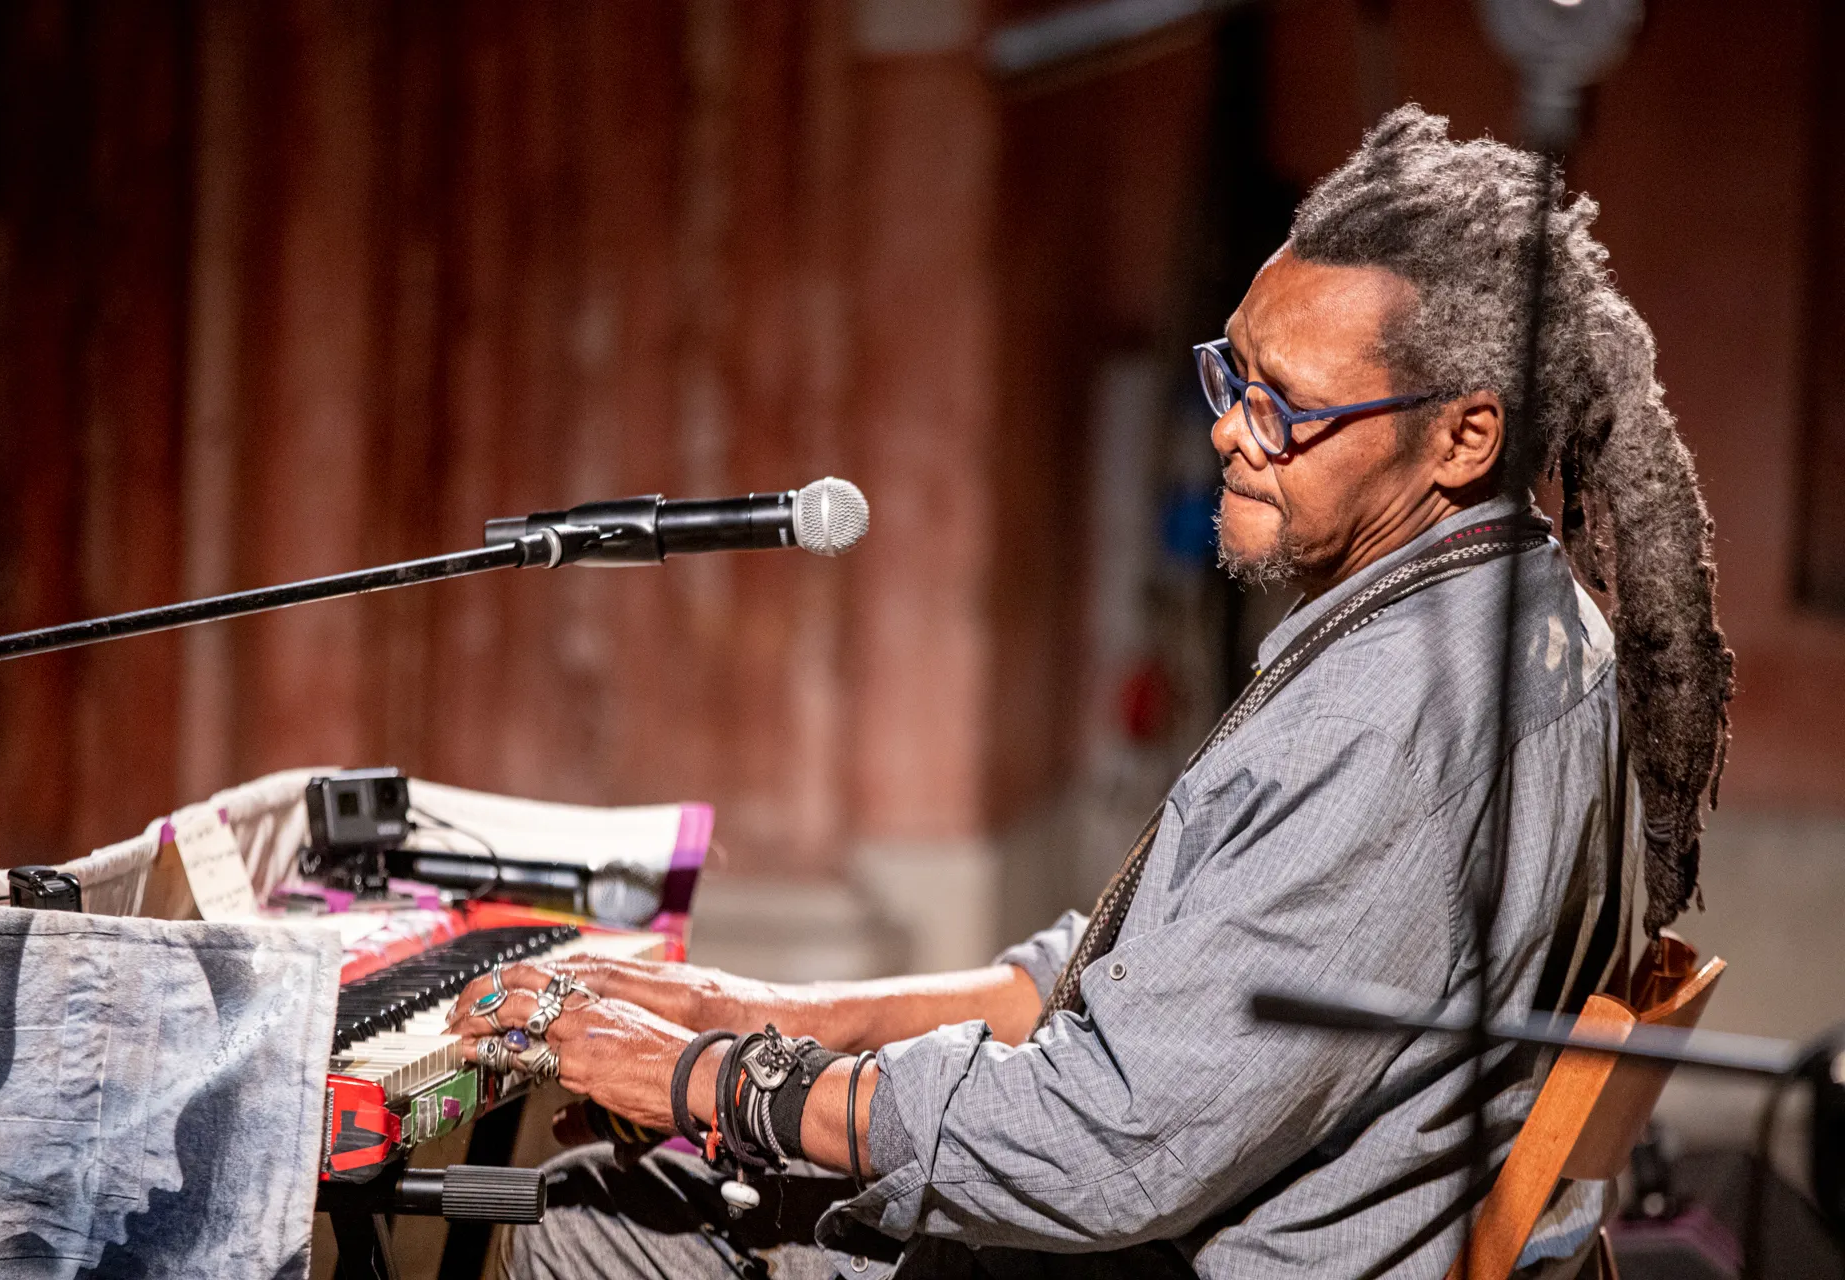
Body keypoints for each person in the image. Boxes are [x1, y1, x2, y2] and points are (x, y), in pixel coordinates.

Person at [447, 107, 1734, 1279]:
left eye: (1287, 408)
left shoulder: (1400, 714)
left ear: (1463, 434)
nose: (1232, 429)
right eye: (1231, 374)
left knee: (586, 1218)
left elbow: (1107, 1142)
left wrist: (727, 1084)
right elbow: (1122, 979)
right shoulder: (1516, 612)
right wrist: (759, 1015)